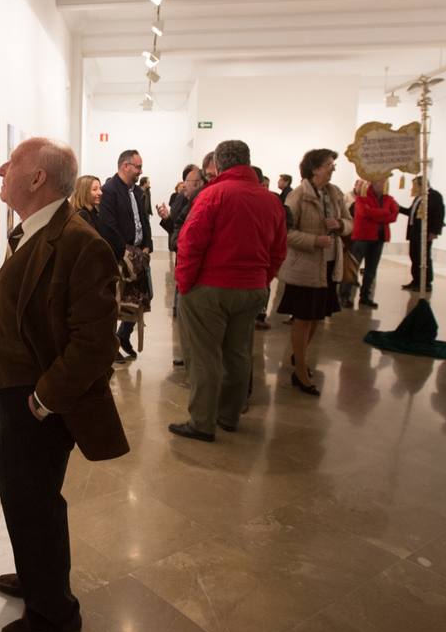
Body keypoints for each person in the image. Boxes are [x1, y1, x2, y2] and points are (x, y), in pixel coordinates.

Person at [0, 137, 128, 632]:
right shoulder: (36, 231)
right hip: (11, 392)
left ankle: (54, 612)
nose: (3, 168)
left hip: (36, 402)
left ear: (38, 178)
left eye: (14, 162)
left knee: (35, 502)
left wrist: (43, 399)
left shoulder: (81, 243)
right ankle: (36, 575)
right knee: (22, 500)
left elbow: (95, 343)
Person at [169, 141, 287, 441]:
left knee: (204, 356)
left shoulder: (213, 195)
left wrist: (185, 283)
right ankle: (229, 415)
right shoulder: (270, 200)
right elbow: (278, 251)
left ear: (219, 165)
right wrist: (262, 279)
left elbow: (190, 243)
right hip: (252, 289)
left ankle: (202, 423)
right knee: (238, 354)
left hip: (210, 288)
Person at [280, 149, 351, 396]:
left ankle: (299, 357)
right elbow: (286, 233)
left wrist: (341, 225)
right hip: (305, 268)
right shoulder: (298, 197)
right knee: (303, 317)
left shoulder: (334, 194)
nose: (333, 168)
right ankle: (300, 370)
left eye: (333, 164)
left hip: (330, 265)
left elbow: (349, 222)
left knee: (317, 317)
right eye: (329, 164)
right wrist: (314, 240)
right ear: (314, 168)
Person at [96, 150, 152, 360]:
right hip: (121, 256)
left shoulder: (137, 191)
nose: (140, 171)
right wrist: (125, 252)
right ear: (125, 166)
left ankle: (124, 335)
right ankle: (111, 346)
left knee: (138, 300)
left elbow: (143, 220)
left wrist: (147, 246)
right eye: (137, 167)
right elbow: (108, 226)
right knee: (115, 302)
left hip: (139, 254)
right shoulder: (109, 190)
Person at [157, 165, 207, 367]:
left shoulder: (202, 203)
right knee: (183, 316)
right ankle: (188, 355)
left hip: (195, 270)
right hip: (184, 266)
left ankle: (194, 358)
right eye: (184, 181)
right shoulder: (184, 200)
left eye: (188, 182)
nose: (184, 186)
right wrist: (167, 219)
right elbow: (176, 234)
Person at [349, 178, 399, 309]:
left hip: (379, 237)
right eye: (380, 182)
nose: (382, 184)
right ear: (372, 183)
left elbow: (394, 215)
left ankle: (365, 296)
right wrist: (384, 213)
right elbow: (363, 212)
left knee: (371, 270)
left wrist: (374, 213)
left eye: (384, 182)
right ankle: (345, 296)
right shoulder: (362, 198)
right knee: (353, 268)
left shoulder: (389, 199)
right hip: (363, 236)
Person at [398, 176, 445, 291]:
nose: (413, 188)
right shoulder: (419, 197)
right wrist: (398, 208)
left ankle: (426, 282)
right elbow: (411, 212)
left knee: (423, 258)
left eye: (415, 185)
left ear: (421, 185)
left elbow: (439, 214)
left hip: (425, 233)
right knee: (414, 256)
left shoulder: (434, 196)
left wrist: (434, 232)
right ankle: (416, 280)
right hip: (414, 232)